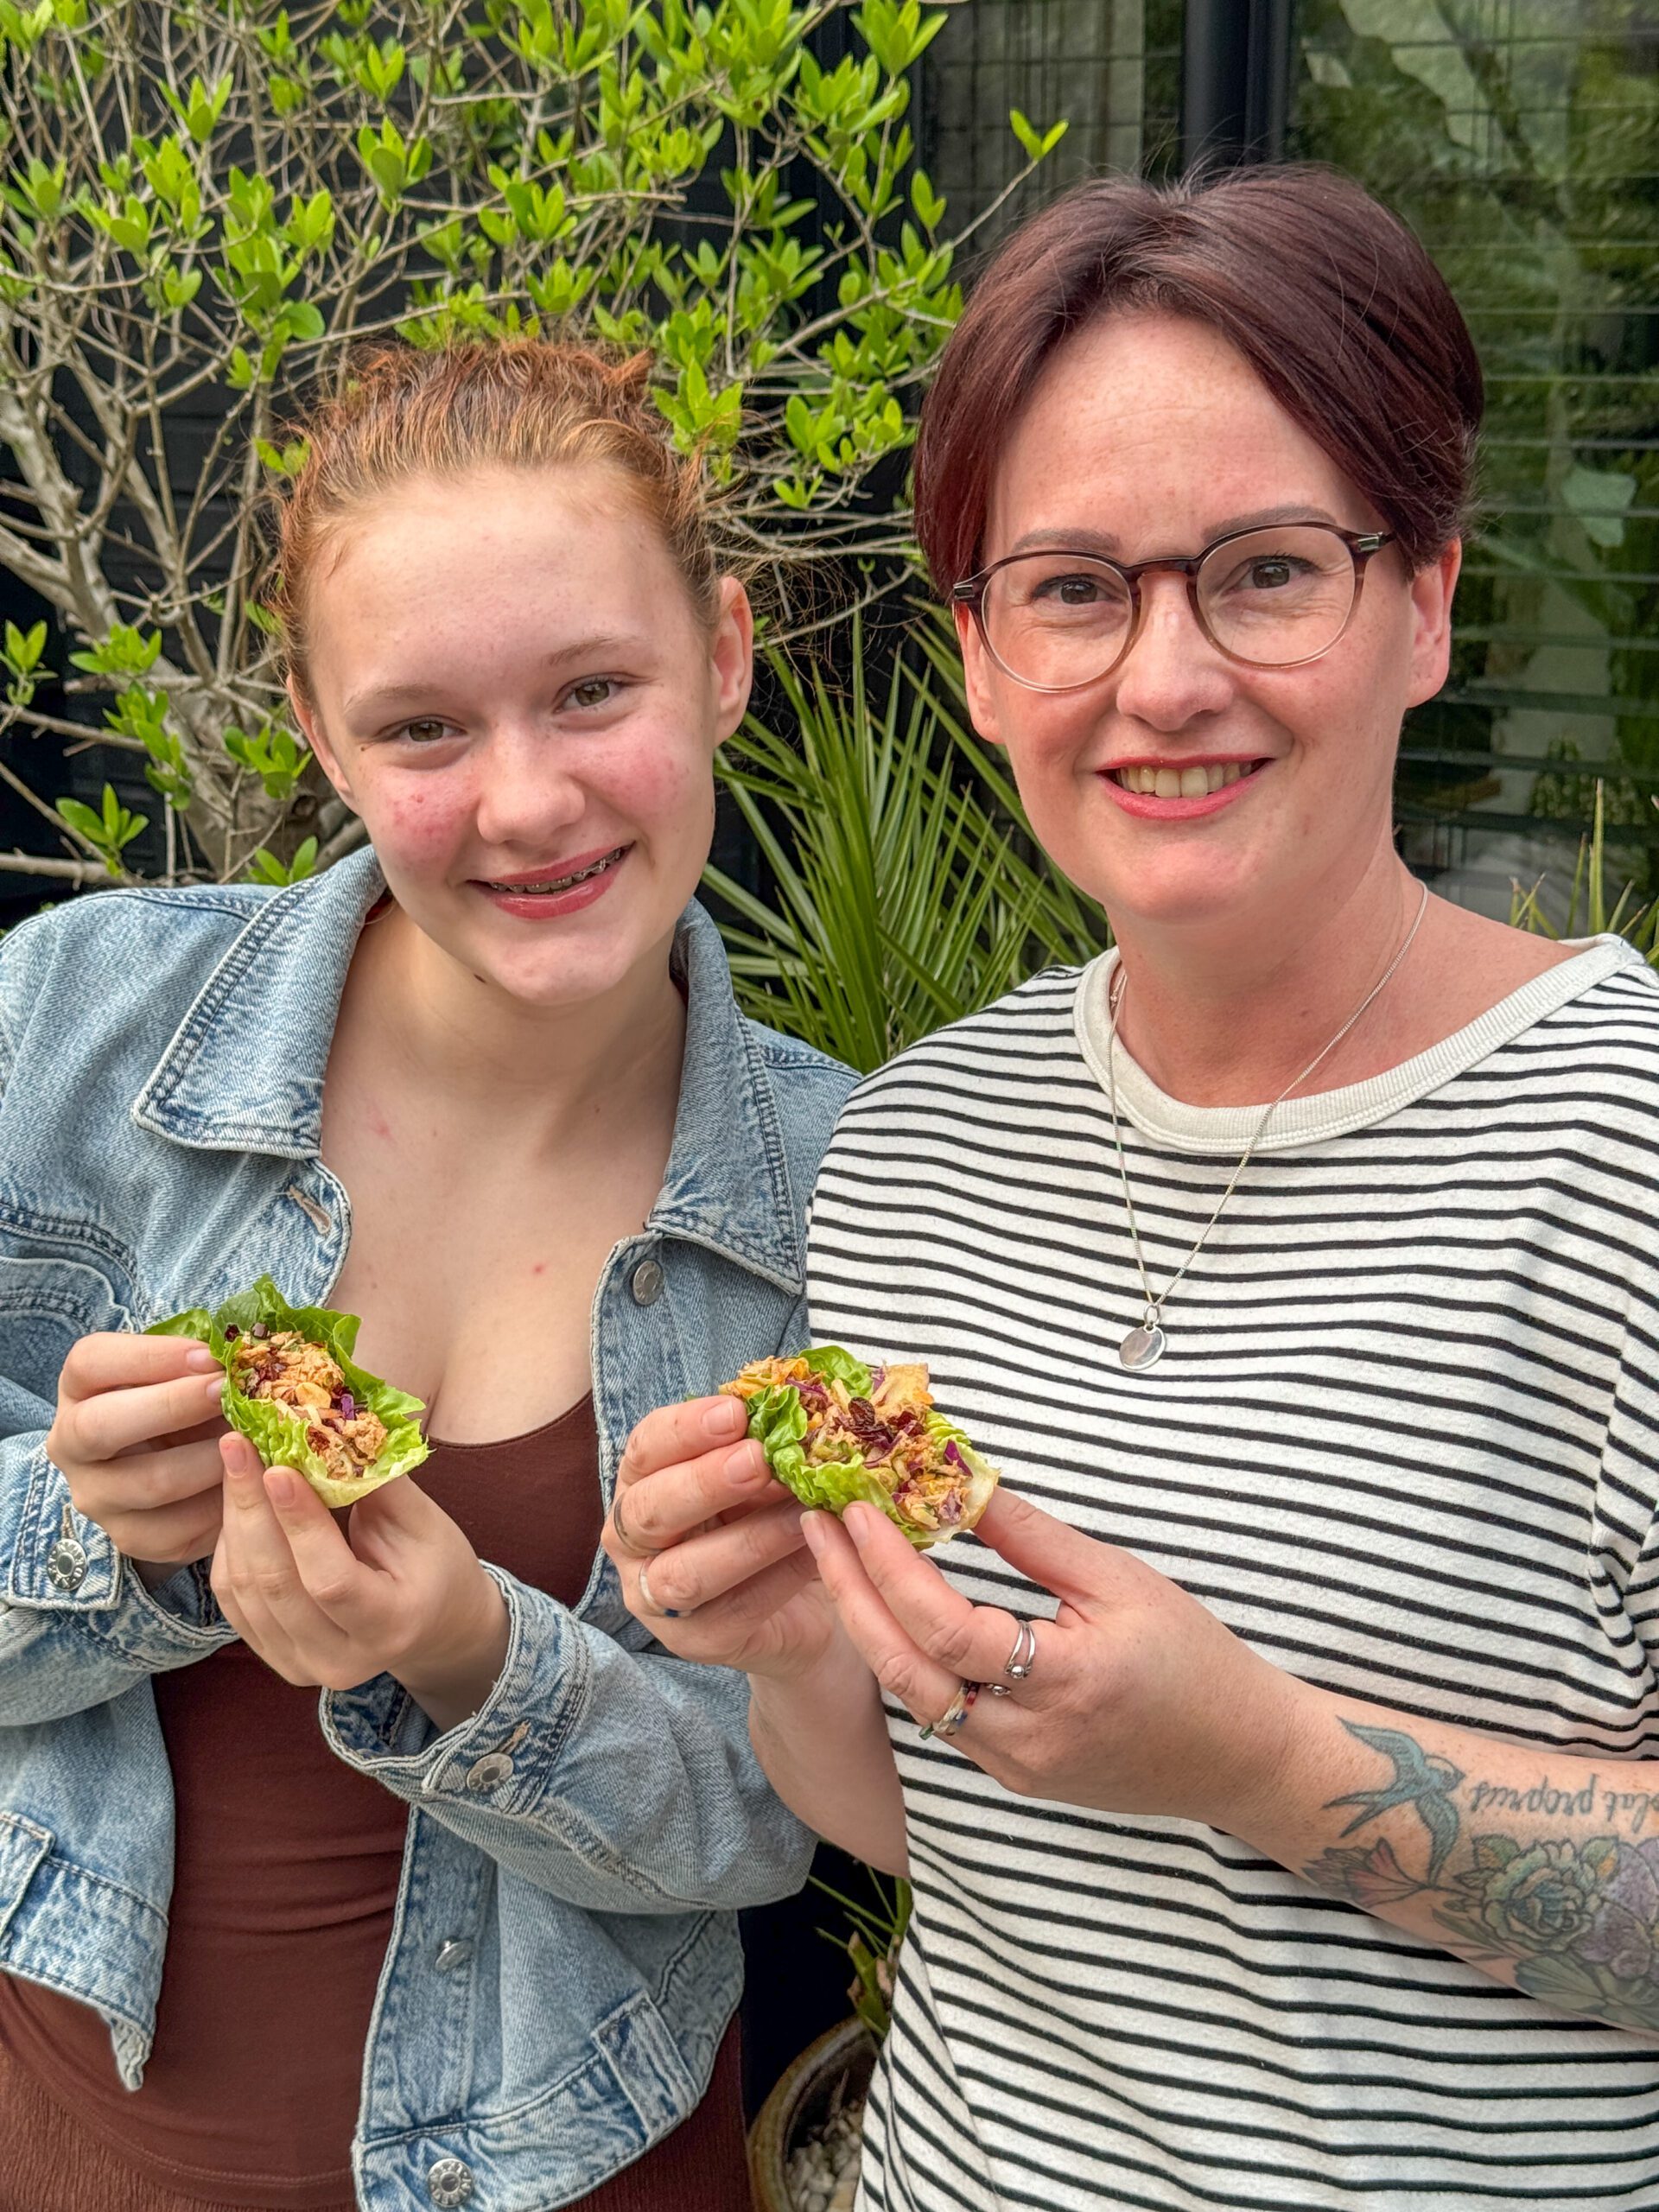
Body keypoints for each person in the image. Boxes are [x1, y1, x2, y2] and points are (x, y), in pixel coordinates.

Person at [608, 167, 1659, 2211]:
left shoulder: (1620, 1146)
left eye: (1265, 570)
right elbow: (925, 1821)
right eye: (1076, 587)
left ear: (1428, 600)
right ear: (986, 657)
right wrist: (791, 1646)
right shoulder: (915, 1145)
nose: (1164, 679)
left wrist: (1265, 1756)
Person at [0, 340, 854, 2211]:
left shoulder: (845, 1189)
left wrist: (468, 1650)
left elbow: (783, 1819)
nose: (529, 801)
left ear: (722, 656)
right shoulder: (60, 1030)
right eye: (424, 729)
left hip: (596, 2171)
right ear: (317, 730)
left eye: (592, 690)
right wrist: (90, 1534)